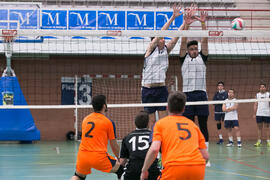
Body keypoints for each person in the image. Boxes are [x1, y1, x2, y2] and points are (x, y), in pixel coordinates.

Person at [140, 91, 209, 180]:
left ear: (167, 107)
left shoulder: (160, 124)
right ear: (184, 109)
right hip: (198, 167)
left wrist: (144, 170)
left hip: (174, 167)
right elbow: (205, 156)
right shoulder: (193, 125)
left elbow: (154, 149)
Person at [142, 4, 185, 128]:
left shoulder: (166, 49)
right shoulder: (150, 49)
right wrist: (173, 17)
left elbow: (176, 36)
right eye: (161, 38)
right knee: (151, 122)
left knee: (163, 120)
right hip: (147, 89)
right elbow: (161, 33)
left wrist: (185, 24)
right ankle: (151, 142)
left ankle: (164, 143)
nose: (163, 39)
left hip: (161, 89)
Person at [179, 10, 211, 165]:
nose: (194, 51)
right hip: (187, 96)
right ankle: (189, 153)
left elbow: (205, 40)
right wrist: (186, 25)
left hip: (201, 95)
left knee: (203, 125)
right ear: (187, 50)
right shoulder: (183, 59)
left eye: (195, 49)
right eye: (191, 49)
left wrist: (203, 23)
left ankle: (206, 157)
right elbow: (182, 40)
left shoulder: (202, 58)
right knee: (189, 126)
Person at [70, 95, 124, 180]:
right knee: (121, 170)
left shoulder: (85, 119)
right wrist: (119, 158)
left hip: (82, 155)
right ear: (104, 106)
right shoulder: (108, 122)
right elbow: (114, 145)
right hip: (98, 157)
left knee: (78, 176)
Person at [119, 111, 160, 180]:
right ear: (148, 124)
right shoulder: (154, 136)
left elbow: (122, 161)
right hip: (152, 170)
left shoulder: (127, 137)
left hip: (132, 171)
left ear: (135, 123)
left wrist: (119, 174)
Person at [253, 83, 270, 147]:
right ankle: (259, 141)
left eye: (263, 87)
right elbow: (255, 104)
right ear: (259, 88)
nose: (262, 88)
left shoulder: (269, 94)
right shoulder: (257, 95)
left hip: (267, 113)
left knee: (267, 128)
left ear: (265, 88)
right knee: (259, 128)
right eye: (261, 87)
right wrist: (254, 113)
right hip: (259, 113)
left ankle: (268, 141)